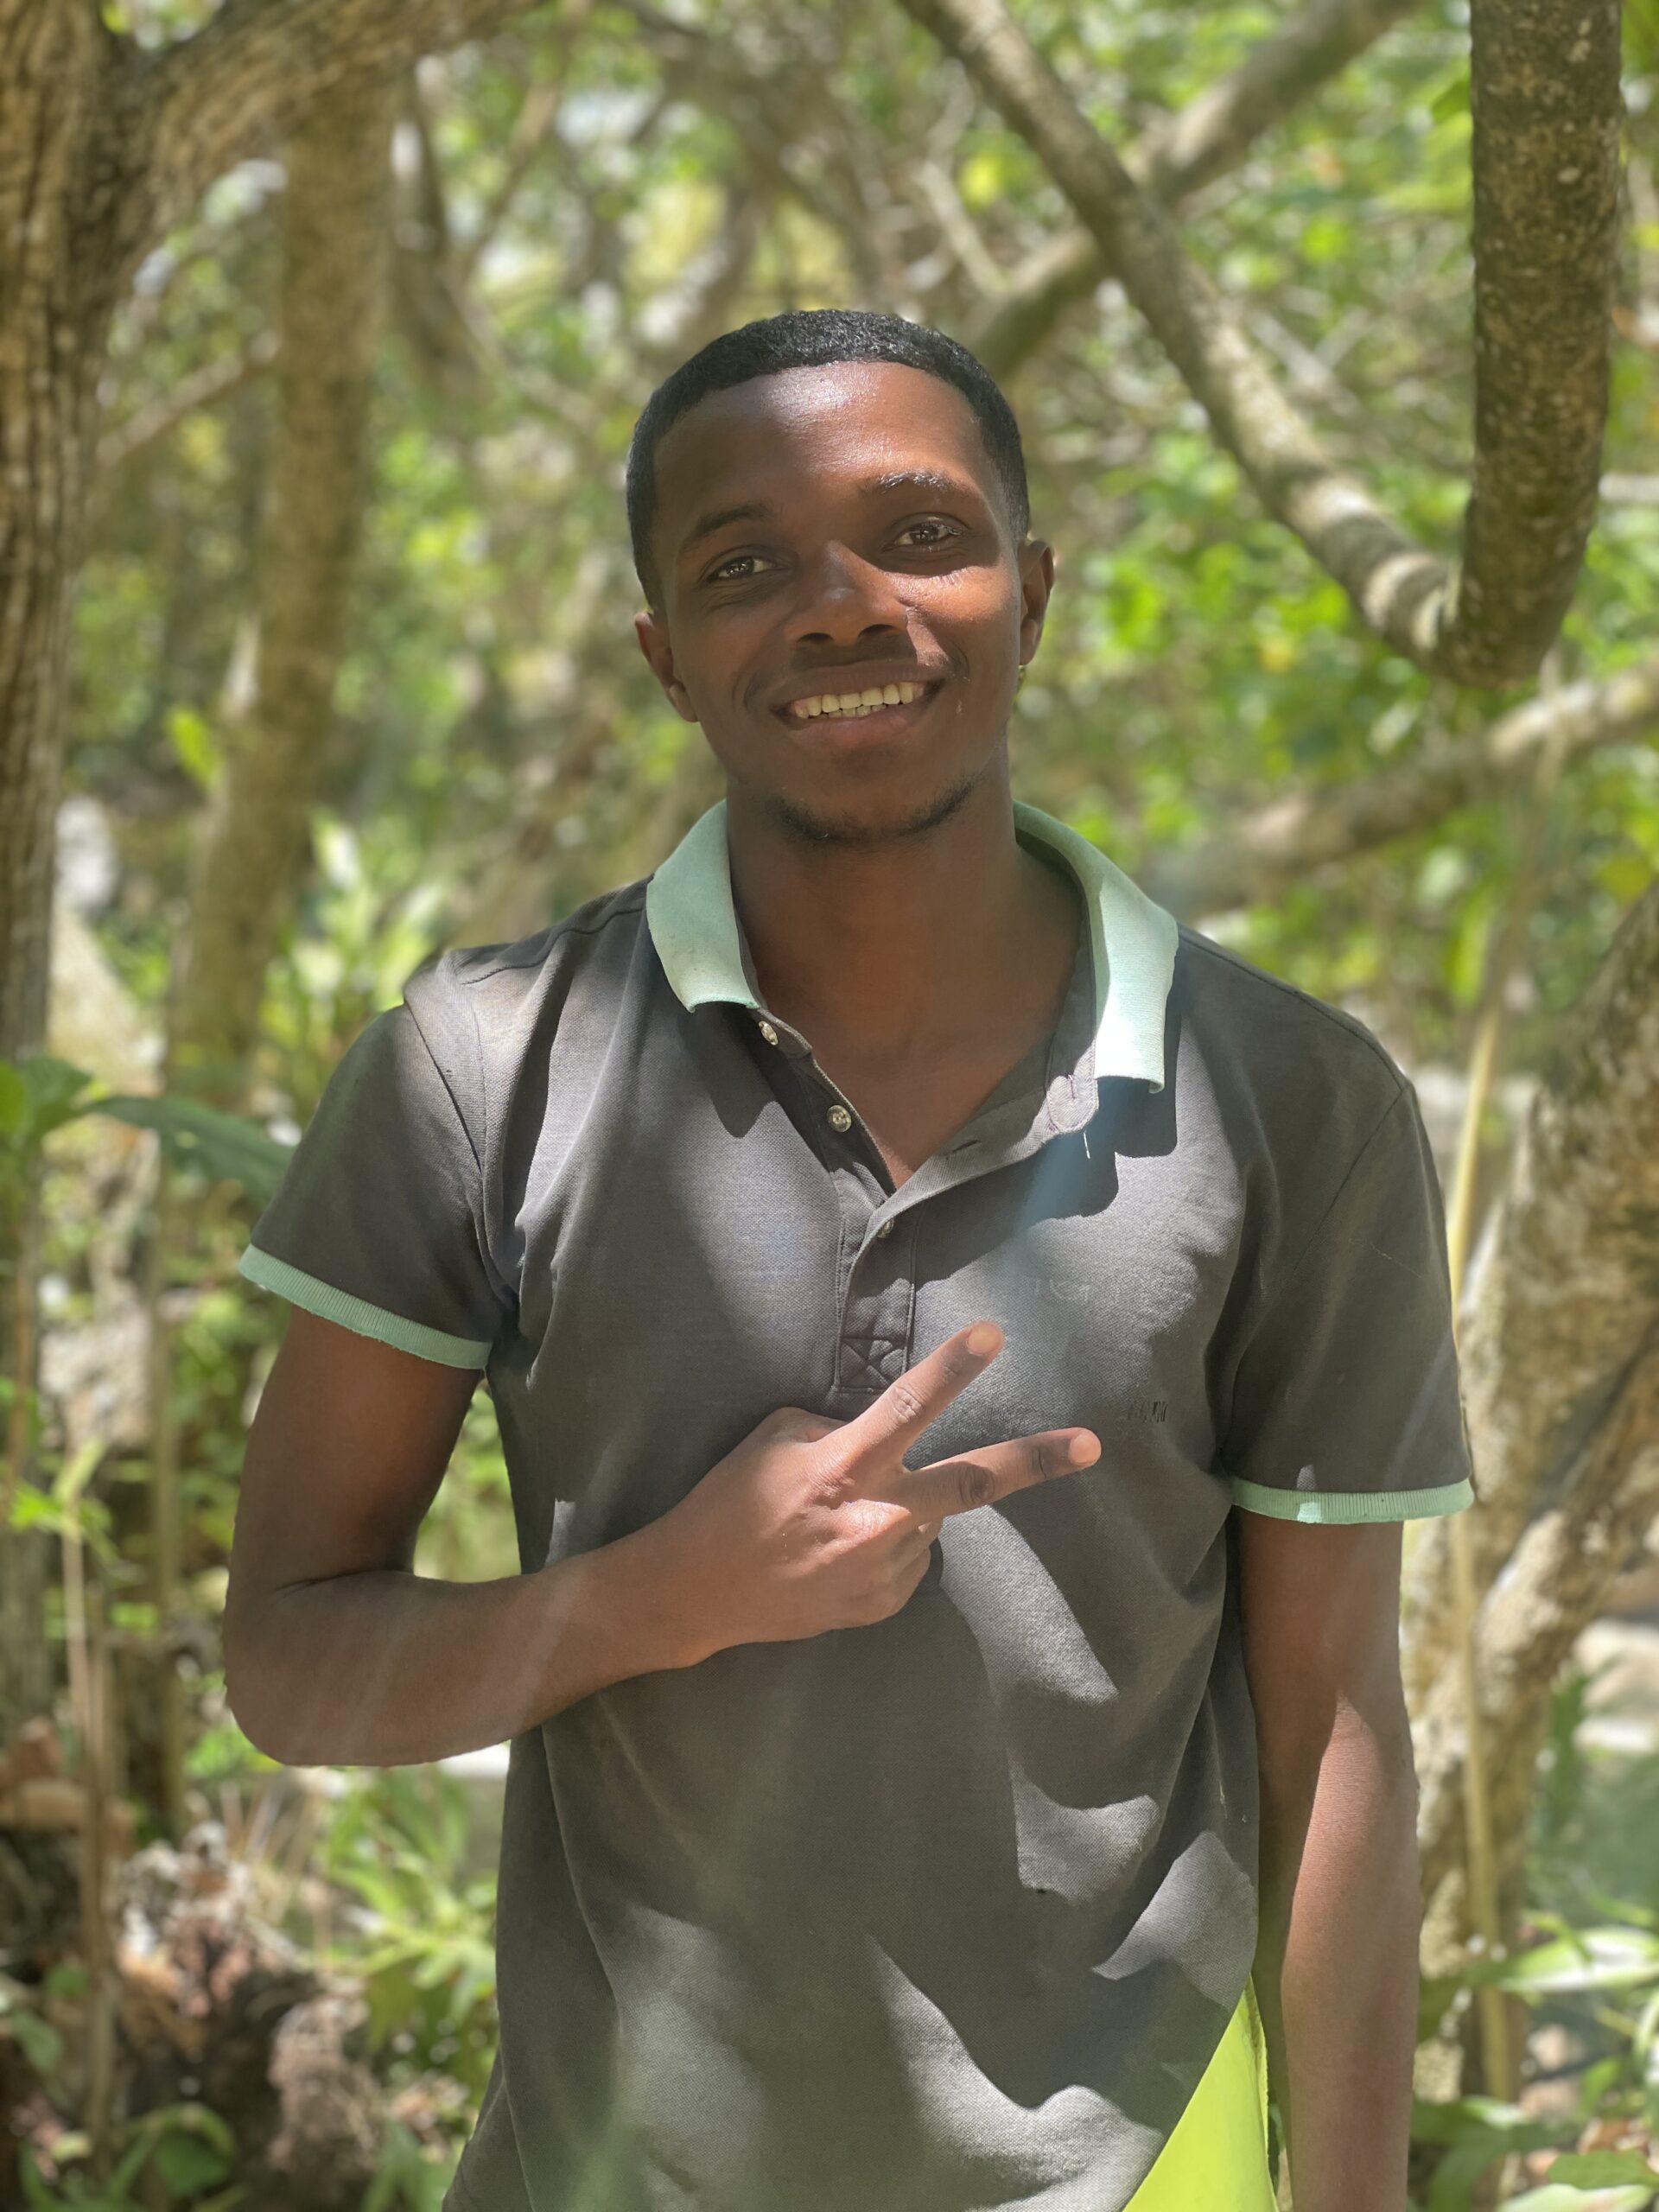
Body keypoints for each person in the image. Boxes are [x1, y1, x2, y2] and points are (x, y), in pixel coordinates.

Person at [225, 308, 1478, 2212]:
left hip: (1142, 2173)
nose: (838, 603)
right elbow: (289, 1662)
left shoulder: (1291, 1099)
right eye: (744, 563)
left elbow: (1337, 1724)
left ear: (1031, 592)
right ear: (664, 653)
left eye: (917, 533)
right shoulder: (480, 1068)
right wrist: (665, 1591)